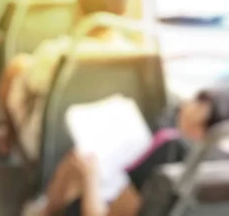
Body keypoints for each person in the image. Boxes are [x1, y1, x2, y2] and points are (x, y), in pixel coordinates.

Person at [0, 0, 135, 159]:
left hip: (56, 145)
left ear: (79, 8)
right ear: (124, 12)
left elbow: (33, 83)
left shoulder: (56, 53)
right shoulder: (134, 54)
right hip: (113, 145)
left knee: (17, 67)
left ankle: (8, 140)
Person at [28, 87, 229, 216]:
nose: (185, 105)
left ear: (202, 120)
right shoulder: (220, 172)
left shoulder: (171, 151)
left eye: (197, 101)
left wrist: (90, 177)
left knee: (78, 163)